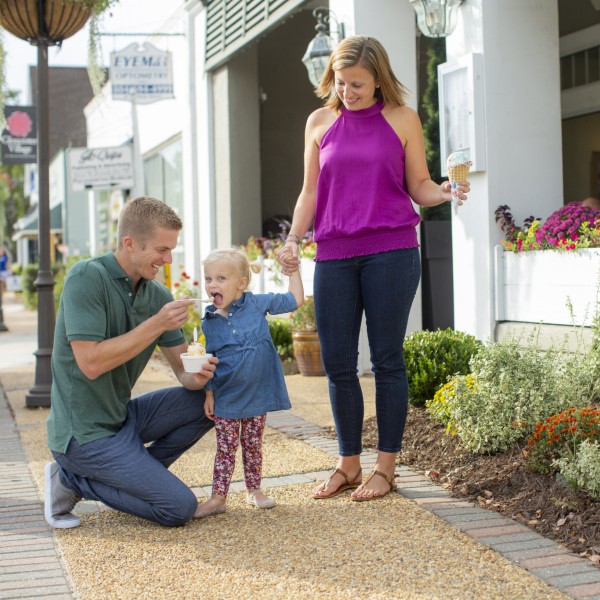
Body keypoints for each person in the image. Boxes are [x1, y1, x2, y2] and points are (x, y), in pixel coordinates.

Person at [277, 36, 470, 502]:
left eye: (357, 84)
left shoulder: (402, 119)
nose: (348, 92)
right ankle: (347, 464)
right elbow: (310, 192)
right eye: (341, 83)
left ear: (378, 78)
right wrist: (292, 239)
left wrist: (443, 193)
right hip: (334, 255)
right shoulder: (319, 122)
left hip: (391, 251)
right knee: (338, 364)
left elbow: (418, 185)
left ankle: (385, 468)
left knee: (386, 361)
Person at [45, 196, 218, 529]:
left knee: (214, 401)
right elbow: (90, 363)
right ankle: (71, 479)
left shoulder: (157, 295)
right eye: (161, 250)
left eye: (171, 250)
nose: (167, 260)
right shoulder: (86, 278)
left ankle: (128, 475)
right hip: (82, 435)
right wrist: (157, 323)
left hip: (122, 419)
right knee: (177, 508)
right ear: (129, 243)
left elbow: (183, 372)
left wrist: (200, 376)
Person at [194, 248, 303, 518]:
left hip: (257, 393)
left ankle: (254, 490)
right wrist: (209, 393)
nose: (212, 285)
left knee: (253, 444)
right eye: (208, 279)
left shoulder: (256, 304)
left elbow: (294, 299)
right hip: (227, 394)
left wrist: (294, 270)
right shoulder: (208, 321)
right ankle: (218, 497)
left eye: (220, 278)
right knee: (226, 448)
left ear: (241, 283)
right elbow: (210, 358)